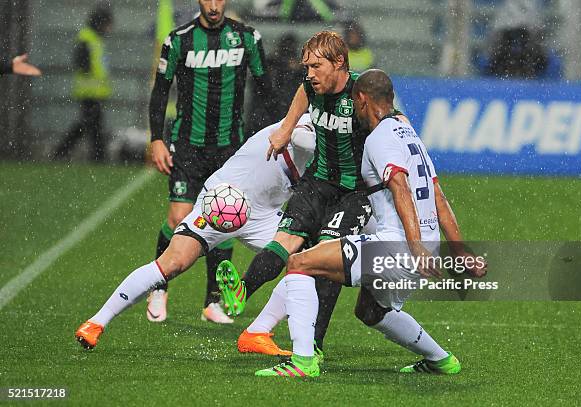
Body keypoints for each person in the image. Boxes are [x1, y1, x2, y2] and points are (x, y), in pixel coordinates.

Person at [253, 69, 487, 378]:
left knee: (299, 263)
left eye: (355, 103)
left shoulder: (379, 138)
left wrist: (414, 247)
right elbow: (438, 198)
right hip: (422, 247)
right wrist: (458, 251)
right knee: (371, 310)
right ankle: (441, 360)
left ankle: (303, 361)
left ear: (362, 100)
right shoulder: (410, 135)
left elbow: (400, 187)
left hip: (399, 247)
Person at [74, 117, 316, 351]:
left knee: (308, 263)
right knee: (173, 262)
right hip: (224, 201)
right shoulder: (311, 122)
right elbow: (303, 138)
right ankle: (96, 322)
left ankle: (257, 332)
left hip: (264, 215)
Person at [215, 31, 376, 359]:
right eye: (307, 66)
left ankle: (314, 344)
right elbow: (302, 95)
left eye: (316, 66)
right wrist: (286, 129)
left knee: (326, 259)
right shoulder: (310, 88)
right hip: (316, 182)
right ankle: (242, 290)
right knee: (284, 240)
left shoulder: (362, 93)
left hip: (352, 194)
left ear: (339, 62)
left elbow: (387, 128)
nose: (309, 74)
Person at [146, 0, 271, 324]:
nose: (214, 5)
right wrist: (156, 138)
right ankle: (159, 286)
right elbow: (161, 91)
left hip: (230, 147)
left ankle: (212, 301)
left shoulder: (247, 38)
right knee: (178, 218)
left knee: (227, 218)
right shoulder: (180, 40)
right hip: (187, 145)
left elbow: (265, 90)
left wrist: (267, 135)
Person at [53, 4, 113, 162]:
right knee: (89, 126)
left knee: (88, 125)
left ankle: (66, 153)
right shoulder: (87, 38)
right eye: (107, 24)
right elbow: (81, 61)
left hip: (94, 92)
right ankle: (96, 157)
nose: (109, 29)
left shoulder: (93, 38)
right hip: (89, 92)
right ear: (100, 22)